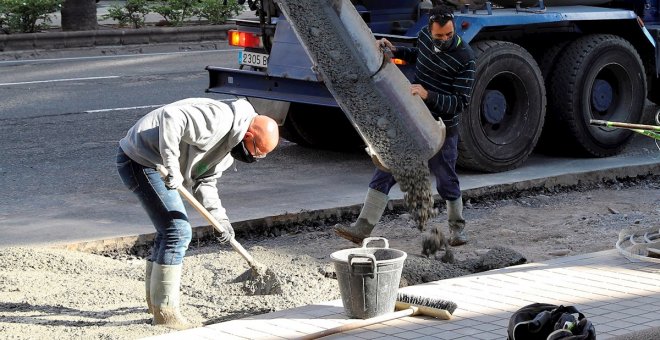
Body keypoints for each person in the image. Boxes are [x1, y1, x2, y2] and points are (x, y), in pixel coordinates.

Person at [116, 98, 279, 329]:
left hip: (154, 164)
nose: (254, 158)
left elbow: (206, 180)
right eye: (256, 153)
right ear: (249, 136)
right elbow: (172, 116)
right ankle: (166, 315)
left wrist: (221, 220)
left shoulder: (229, 147)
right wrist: (172, 166)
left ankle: (156, 305)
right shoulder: (219, 119)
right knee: (178, 231)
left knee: (168, 231)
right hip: (141, 159)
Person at [335, 4, 476, 247]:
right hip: (412, 118)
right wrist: (395, 50)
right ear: (430, 30)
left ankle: (457, 230)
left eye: (449, 35)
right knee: (386, 169)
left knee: (445, 179)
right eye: (438, 36)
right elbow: (417, 54)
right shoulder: (423, 37)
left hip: (440, 128)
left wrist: (428, 95)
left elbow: (460, 103)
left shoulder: (465, 58)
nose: (443, 40)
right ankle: (362, 228)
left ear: (454, 30)